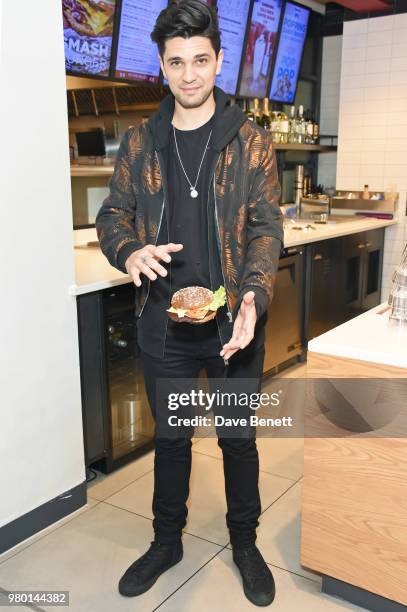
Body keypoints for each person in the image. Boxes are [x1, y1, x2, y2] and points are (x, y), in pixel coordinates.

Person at [95, 0, 283, 606]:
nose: (189, 74)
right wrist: (128, 251)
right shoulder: (140, 142)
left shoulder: (251, 142)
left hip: (233, 323)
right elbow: (112, 214)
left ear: (219, 60)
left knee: (236, 439)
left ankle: (245, 542)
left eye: (200, 60)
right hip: (165, 322)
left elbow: (264, 228)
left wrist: (254, 294)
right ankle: (166, 540)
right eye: (176, 62)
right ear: (162, 66)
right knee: (172, 438)